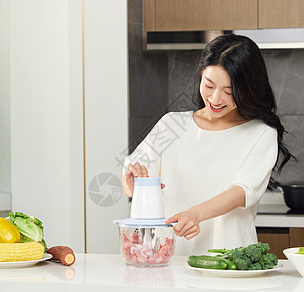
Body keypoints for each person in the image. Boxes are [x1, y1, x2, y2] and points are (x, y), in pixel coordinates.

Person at [122, 34, 294, 256]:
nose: (215, 98)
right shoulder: (172, 124)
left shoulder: (260, 133)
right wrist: (133, 184)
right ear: (201, 75)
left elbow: (242, 191)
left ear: (248, 89)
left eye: (229, 92)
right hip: (169, 258)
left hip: (229, 259)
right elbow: (134, 179)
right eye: (209, 85)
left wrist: (195, 214)